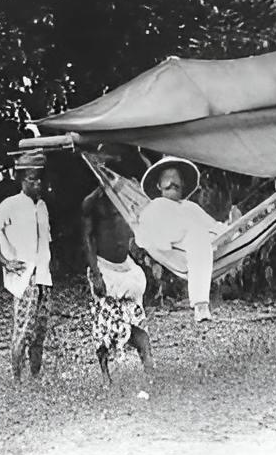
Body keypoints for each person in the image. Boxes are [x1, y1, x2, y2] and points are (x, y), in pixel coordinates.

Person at [81, 144, 154, 385]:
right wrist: (96, 273)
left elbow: (147, 187)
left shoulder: (127, 196)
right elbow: (87, 239)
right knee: (105, 326)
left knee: (137, 320)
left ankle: (149, 369)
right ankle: (106, 376)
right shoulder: (92, 202)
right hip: (105, 268)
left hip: (126, 266)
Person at [0, 151, 52, 382]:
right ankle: (17, 378)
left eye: (39, 179)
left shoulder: (42, 206)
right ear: (21, 179)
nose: (37, 184)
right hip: (24, 276)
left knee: (40, 330)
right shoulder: (11, 205)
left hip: (43, 276)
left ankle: (35, 376)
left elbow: (46, 241)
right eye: (31, 179)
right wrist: (4, 261)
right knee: (23, 330)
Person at [135, 156, 226, 323]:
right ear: (159, 185)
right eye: (166, 178)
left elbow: (213, 227)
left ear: (183, 183)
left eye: (176, 178)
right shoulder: (155, 207)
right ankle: (200, 305)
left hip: (201, 251)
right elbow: (155, 238)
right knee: (198, 235)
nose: (172, 182)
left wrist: (229, 231)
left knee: (203, 235)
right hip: (174, 251)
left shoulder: (191, 207)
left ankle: (201, 305)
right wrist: (192, 230)